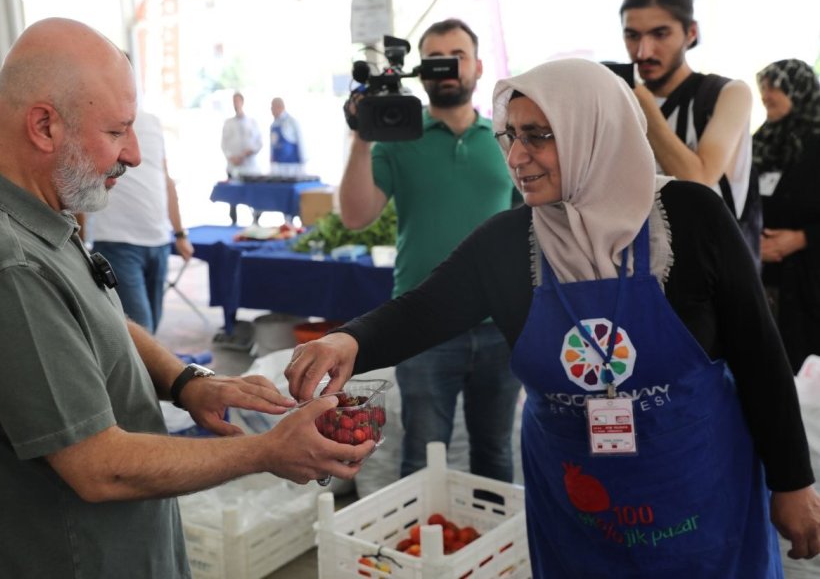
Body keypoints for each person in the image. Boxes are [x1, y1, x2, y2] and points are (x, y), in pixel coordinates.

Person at [286, 58, 820, 577]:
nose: (516, 156)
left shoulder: (691, 215)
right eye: (509, 135)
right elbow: (424, 310)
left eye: (539, 135)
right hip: (577, 506)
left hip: (700, 495)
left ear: (594, 130)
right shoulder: (508, 241)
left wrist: (793, 481)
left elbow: (760, 356)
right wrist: (349, 342)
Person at [0, 18, 374, 578]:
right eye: (117, 132)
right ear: (44, 126)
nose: (134, 155)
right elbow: (98, 466)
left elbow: (95, 315)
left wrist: (187, 383)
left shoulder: (32, 215)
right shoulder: (1, 264)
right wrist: (267, 451)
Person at [338, 18, 521, 482]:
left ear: (478, 67)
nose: (446, 68)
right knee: (422, 456)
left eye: (456, 56)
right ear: (419, 70)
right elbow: (356, 216)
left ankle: (488, 550)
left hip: (501, 324)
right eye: (434, 58)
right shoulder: (398, 139)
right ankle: (423, 553)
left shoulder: (507, 141)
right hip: (423, 325)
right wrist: (362, 138)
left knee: (497, 452)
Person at [620, 0, 761, 265]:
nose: (643, 52)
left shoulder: (728, 93)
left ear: (691, 32)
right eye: (632, 36)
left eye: (660, 34)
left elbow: (700, 180)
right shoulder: (620, 98)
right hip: (638, 270)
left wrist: (644, 105)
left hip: (712, 275)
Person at [85, 108, 195, 334]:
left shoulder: (152, 121)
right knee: (141, 331)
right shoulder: (94, 115)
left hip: (158, 242)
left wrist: (180, 234)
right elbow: (83, 176)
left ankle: (151, 370)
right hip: (117, 242)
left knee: (151, 326)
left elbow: (165, 179)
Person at [753, 59, 820, 372]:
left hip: (808, 282)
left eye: (775, 87)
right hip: (763, 278)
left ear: (800, 90)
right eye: (763, 87)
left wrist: (802, 238)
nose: (766, 95)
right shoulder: (761, 142)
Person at [221, 91, 262, 225]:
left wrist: (249, 152)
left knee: (253, 194)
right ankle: (233, 222)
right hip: (234, 165)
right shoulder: (228, 123)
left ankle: (255, 221)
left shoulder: (252, 122)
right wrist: (231, 157)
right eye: (234, 102)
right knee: (233, 196)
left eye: (238, 101)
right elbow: (224, 143)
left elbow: (259, 143)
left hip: (250, 166)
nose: (236, 104)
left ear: (242, 102)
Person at [269, 96, 305, 176]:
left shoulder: (292, 122)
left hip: (292, 166)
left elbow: (302, 144)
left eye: (273, 108)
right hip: (277, 166)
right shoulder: (273, 125)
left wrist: (303, 163)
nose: (271, 111)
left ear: (280, 107)